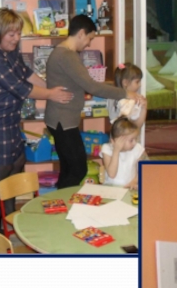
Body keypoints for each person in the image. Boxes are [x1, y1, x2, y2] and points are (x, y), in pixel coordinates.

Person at [0, 8, 72, 233]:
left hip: (8, 118)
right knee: (0, 169)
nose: (16, 38)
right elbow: (21, 88)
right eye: (11, 34)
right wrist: (51, 94)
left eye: (18, 33)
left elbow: (26, 73)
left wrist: (50, 87)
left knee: (18, 161)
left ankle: (7, 211)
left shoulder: (9, 50)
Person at [45, 15, 143, 188]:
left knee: (69, 168)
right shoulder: (67, 56)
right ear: (81, 33)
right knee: (78, 168)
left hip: (61, 119)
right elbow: (92, 86)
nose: (89, 44)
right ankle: (62, 199)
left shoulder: (63, 53)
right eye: (90, 38)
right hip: (63, 120)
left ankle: (62, 199)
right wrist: (125, 93)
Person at [101, 118, 147, 188]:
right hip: (111, 188)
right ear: (115, 141)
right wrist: (116, 151)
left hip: (130, 187)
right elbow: (112, 174)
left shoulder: (137, 148)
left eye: (136, 139)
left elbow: (145, 167)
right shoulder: (107, 149)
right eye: (131, 140)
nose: (135, 143)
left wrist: (135, 180)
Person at [108, 63, 147, 130]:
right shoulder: (120, 101)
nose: (140, 85)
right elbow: (136, 126)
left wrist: (144, 107)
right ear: (125, 82)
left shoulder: (112, 97)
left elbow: (137, 126)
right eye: (137, 82)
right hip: (122, 134)